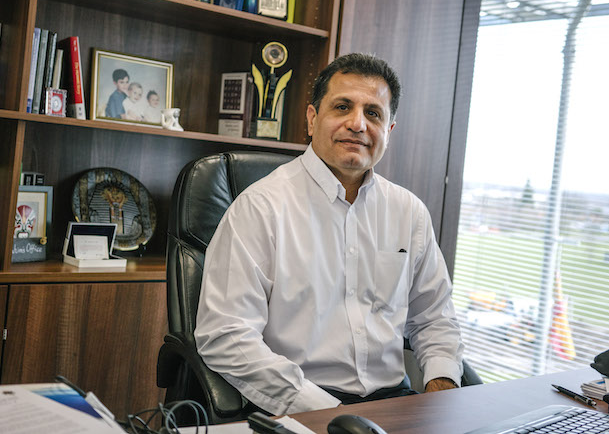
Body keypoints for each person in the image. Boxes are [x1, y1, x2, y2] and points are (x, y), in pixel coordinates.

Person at [195, 53, 464, 416]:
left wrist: (441, 391)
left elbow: (434, 318)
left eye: (373, 113)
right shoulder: (260, 207)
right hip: (299, 404)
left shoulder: (409, 212)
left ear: (389, 130)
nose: (357, 124)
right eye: (342, 107)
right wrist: (323, 411)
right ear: (312, 118)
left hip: (393, 405)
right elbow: (226, 336)